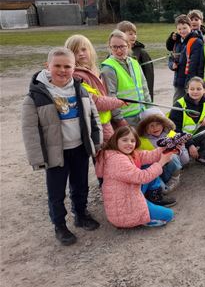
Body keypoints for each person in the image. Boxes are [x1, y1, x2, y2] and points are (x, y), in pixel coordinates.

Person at [22, 47, 102, 245]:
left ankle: (81, 214)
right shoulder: (36, 95)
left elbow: (93, 117)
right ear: (47, 66)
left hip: (79, 148)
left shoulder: (80, 89)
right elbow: (29, 129)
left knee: (81, 184)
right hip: (55, 153)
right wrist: (37, 158)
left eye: (67, 66)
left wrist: (96, 141)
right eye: (57, 65)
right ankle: (59, 225)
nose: (62, 70)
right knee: (56, 192)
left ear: (74, 68)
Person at [95, 126, 175, 228]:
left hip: (128, 194)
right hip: (125, 209)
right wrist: (162, 162)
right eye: (125, 140)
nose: (129, 143)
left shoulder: (124, 152)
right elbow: (142, 177)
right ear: (116, 140)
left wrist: (168, 144)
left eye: (132, 141)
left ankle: (152, 198)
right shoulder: (116, 159)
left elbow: (150, 156)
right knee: (168, 215)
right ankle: (144, 220)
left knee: (149, 166)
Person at [64, 34, 125, 143]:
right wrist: (118, 102)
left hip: (106, 121)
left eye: (83, 49)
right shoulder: (77, 76)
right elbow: (93, 101)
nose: (81, 53)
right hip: (94, 124)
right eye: (75, 51)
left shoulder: (94, 71)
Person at [100, 30, 151, 127]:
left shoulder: (134, 62)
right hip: (125, 119)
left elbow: (144, 88)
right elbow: (110, 96)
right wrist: (119, 119)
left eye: (122, 46)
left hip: (142, 114)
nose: (118, 51)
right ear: (109, 47)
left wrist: (150, 109)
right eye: (114, 47)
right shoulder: (108, 68)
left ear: (128, 46)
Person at [136, 108, 189, 193]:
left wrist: (180, 150)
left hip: (169, 169)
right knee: (162, 190)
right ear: (145, 128)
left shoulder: (172, 135)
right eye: (151, 125)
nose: (155, 128)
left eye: (158, 124)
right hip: (154, 172)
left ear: (163, 124)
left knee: (171, 155)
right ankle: (157, 186)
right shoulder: (140, 141)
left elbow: (185, 160)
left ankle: (175, 178)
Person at [169, 77, 205, 164]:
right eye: (192, 89)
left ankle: (203, 155)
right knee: (184, 162)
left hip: (193, 135)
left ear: (204, 90)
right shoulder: (179, 105)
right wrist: (190, 145)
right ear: (187, 90)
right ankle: (186, 152)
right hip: (179, 138)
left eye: (198, 89)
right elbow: (174, 130)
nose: (195, 92)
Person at [166, 14, 204, 104]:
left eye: (184, 28)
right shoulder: (177, 42)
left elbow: (194, 65)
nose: (182, 31)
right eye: (179, 29)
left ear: (190, 27)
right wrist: (172, 65)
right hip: (178, 82)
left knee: (190, 106)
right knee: (177, 106)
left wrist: (189, 84)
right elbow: (171, 57)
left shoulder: (196, 42)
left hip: (190, 83)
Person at [117, 21, 155, 100]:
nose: (134, 36)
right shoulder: (113, 54)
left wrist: (149, 98)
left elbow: (149, 77)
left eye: (135, 34)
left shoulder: (142, 53)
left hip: (139, 98)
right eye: (130, 34)